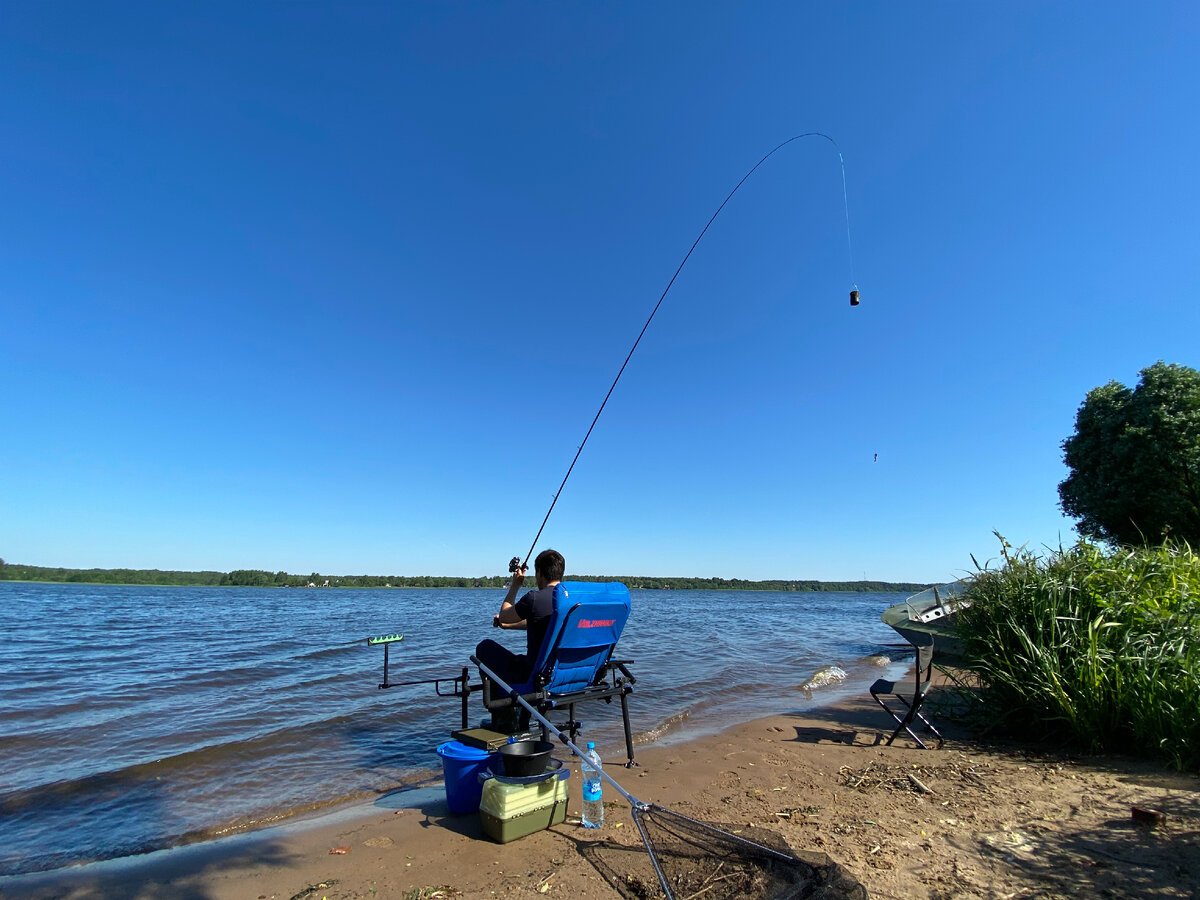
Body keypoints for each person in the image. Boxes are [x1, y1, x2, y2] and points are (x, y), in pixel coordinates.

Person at [474, 548, 565, 687]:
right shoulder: (571, 599)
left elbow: (504, 616)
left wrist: (515, 585)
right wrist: (510, 626)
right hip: (563, 672)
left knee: (484, 647)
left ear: (539, 572)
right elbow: (544, 622)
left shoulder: (534, 598)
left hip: (536, 675)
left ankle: (502, 705)